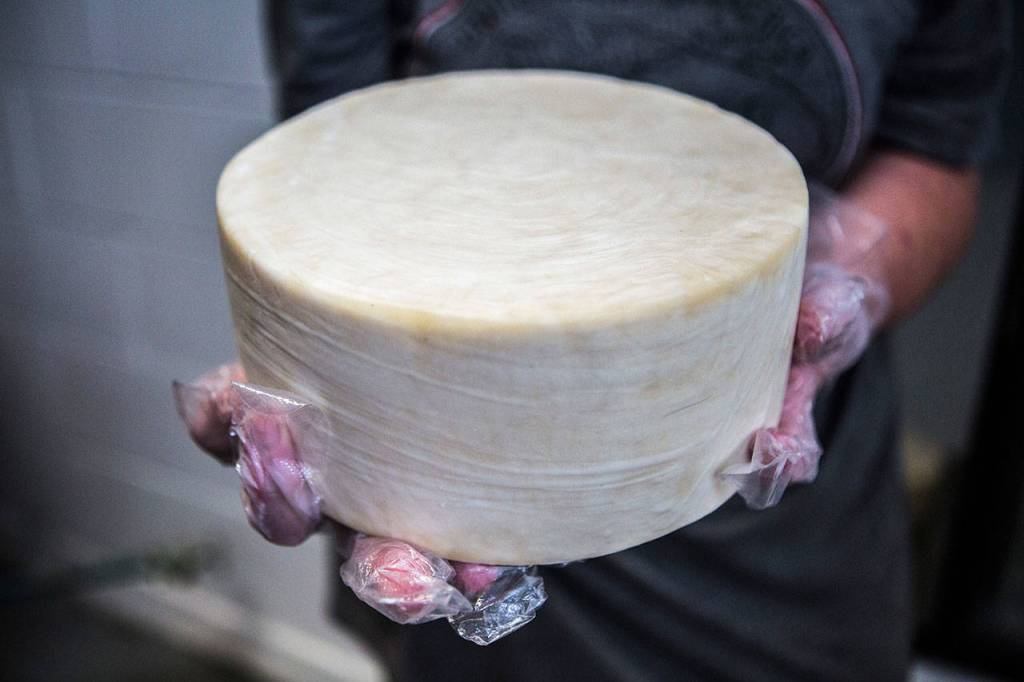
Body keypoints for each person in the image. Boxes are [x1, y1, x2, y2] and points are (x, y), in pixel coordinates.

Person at [178, 2, 1010, 679]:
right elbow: (324, 171)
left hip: (774, 500)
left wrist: (844, 280)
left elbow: (937, 146)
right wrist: (348, 401)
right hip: (467, 533)